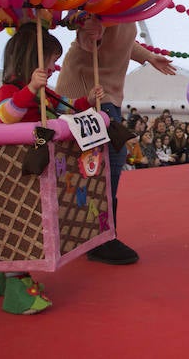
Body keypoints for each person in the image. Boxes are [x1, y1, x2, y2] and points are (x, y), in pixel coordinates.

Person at [0, 21, 103, 315]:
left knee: (29, 217)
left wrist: (88, 101)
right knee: (25, 221)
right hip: (17, 167)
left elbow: (66, 106)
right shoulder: (10, 89)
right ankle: (17, 285)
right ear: (33, 61)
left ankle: (5, 275)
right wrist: (29, 89)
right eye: (51, 61)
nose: (54, 68)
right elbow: (6, 115)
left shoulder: (45, 93)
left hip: (37, 165)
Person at [55, 16, 175, 265]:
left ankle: (92, 233)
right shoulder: (107, 4)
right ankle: (100, 237)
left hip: (106, 95)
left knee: (101, 163)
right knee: (106, 161)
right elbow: (88, 40)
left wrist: (149, 57)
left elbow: (125, 41)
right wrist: (91, 32)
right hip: (85, 94)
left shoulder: (126, 11)